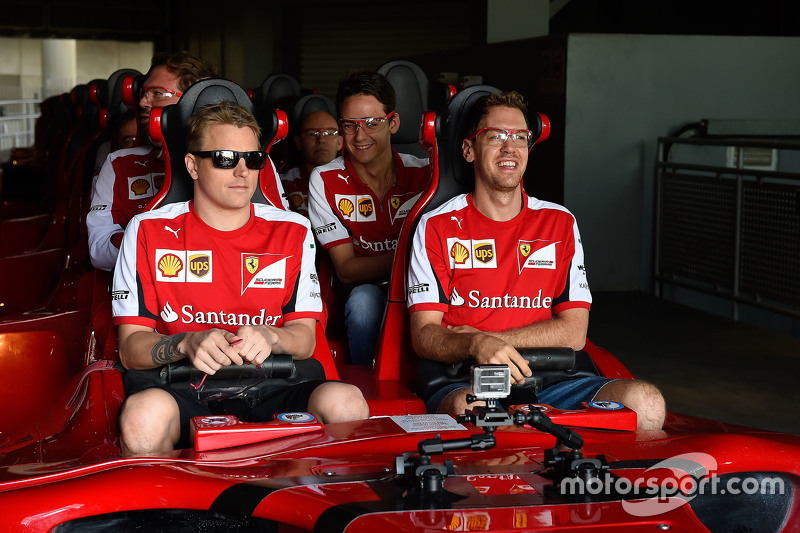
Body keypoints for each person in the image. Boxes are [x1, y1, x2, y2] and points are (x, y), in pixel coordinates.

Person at [112, 101, 369, 456]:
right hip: (182, 387)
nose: (243, 171)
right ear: (192, 165)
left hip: (274, 384)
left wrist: (270, 335)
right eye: (224, 158)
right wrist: (186, 343)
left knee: (347, 401)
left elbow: (305, 340)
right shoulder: (147, 230)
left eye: (253, 159)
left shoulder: (292, 230)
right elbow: (130, 348)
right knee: (142, 415)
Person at [406, 90, 665, 431]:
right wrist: (473, 346)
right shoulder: (435, 225)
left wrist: (488, 340)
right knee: (477, 413)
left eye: (520, 137)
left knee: (647, 404)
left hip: (557, 377)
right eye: (496, 136)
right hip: (467, 379)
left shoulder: (560, 223)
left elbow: (574, 332)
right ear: (468, 150)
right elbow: (424, 334)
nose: (510, 148)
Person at [308, 71, 429, 364]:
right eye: (350, 126)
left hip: (423, 287)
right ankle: (366, 392)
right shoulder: (324, 179)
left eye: (372, 123)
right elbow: (347, 270)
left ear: (393, 123)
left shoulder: (426, 173)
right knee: (364, 302)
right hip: (363, 291)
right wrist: (415, 257)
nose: (360, 136)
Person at [86, 51, 217, 271]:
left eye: (157, 93)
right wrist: (161, 244)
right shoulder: (119, 165)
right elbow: (99, 250)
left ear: (196, 99)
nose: (143, 101)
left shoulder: (247, 162)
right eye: (144, 93)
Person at [281, 110, 342, 217]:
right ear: (299, 142)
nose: (321, 139)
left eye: (329, 133)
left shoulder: (357, 181)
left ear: (340, 142)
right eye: (312, 134)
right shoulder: (282, 185)